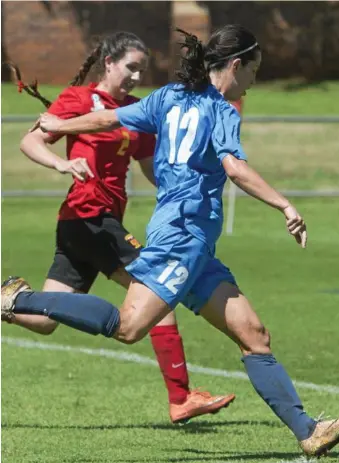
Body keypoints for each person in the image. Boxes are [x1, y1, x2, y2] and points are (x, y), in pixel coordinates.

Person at [3, 25, 339, 456]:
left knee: (254, 335)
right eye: (254, 71)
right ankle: (17, 300)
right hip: (181, 237)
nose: (255, 81)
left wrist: (62, 122)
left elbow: (110, 117)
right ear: (235, 66)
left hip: (195, 244)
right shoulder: (221, 110)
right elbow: (235, 169)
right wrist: (285, 205)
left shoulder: (168, 97)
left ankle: (308, 431)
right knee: (129, 327)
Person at [2, 32, 235, 424]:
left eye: (141, 70)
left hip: (88, 223)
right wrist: (63, 164)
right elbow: (31, 142)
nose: (135, 76)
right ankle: (180, 397)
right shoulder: (78, 101)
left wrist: (183, 193)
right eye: (130, 67)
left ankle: (7, 299)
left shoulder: (134, 110)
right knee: (158, 293)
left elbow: (151, 167)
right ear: (108, 63)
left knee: (43, 322)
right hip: (89, 215)